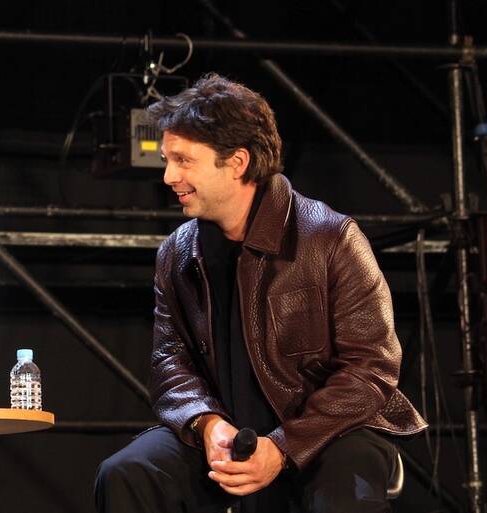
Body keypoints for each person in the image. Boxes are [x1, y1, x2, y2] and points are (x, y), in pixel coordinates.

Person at [94, 73, 427, 513]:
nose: (169, 175)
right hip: (229, 435)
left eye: (184, 160)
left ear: (237, 162)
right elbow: (169, 362)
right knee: (127, 473)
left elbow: (372, 369)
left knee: (345, 479)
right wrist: (206, 423)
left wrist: (284, 446)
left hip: (324, 434)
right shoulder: (176, 252)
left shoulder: (331, 238)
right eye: (167, 160)